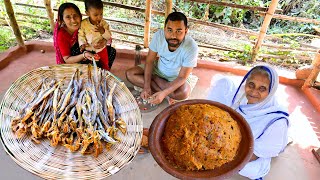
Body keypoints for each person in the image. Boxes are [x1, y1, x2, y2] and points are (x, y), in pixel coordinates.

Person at [207, 65, 290, 179]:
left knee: (246, 169)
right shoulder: (240, 96)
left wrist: (224, 159)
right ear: (245, 82)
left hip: (258, 147)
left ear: (271, 91)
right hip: (233, 140)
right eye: (251, 84)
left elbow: (255, 154)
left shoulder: (276, 120)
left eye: (262, 88)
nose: (254, 92)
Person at [125, 12, 198, 105]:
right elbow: (150, 61)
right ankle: (163, 90)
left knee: (183, 93)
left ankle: (156, 82)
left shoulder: (191, 47)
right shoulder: (158, 36)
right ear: (164, 29)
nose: (173, 35)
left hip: (176, 76)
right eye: (169, 30)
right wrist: (146, 86)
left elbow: (182, 77)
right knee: (130, 74)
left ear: (186, 31)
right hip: (158, 69)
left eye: (179, 31)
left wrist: (164, 93)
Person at [78, 0, 112, 70]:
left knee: (104, 64)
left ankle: (105, 74)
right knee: (90, 67)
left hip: (101, 49)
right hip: (89, 49)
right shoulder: (84, 24)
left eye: (101, 14)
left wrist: (103, 31)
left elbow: (108, 36)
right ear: (87, 13)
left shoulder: (104, 24)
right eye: (96, 15)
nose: (99, 17)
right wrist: (82, 44)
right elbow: (81, 35)